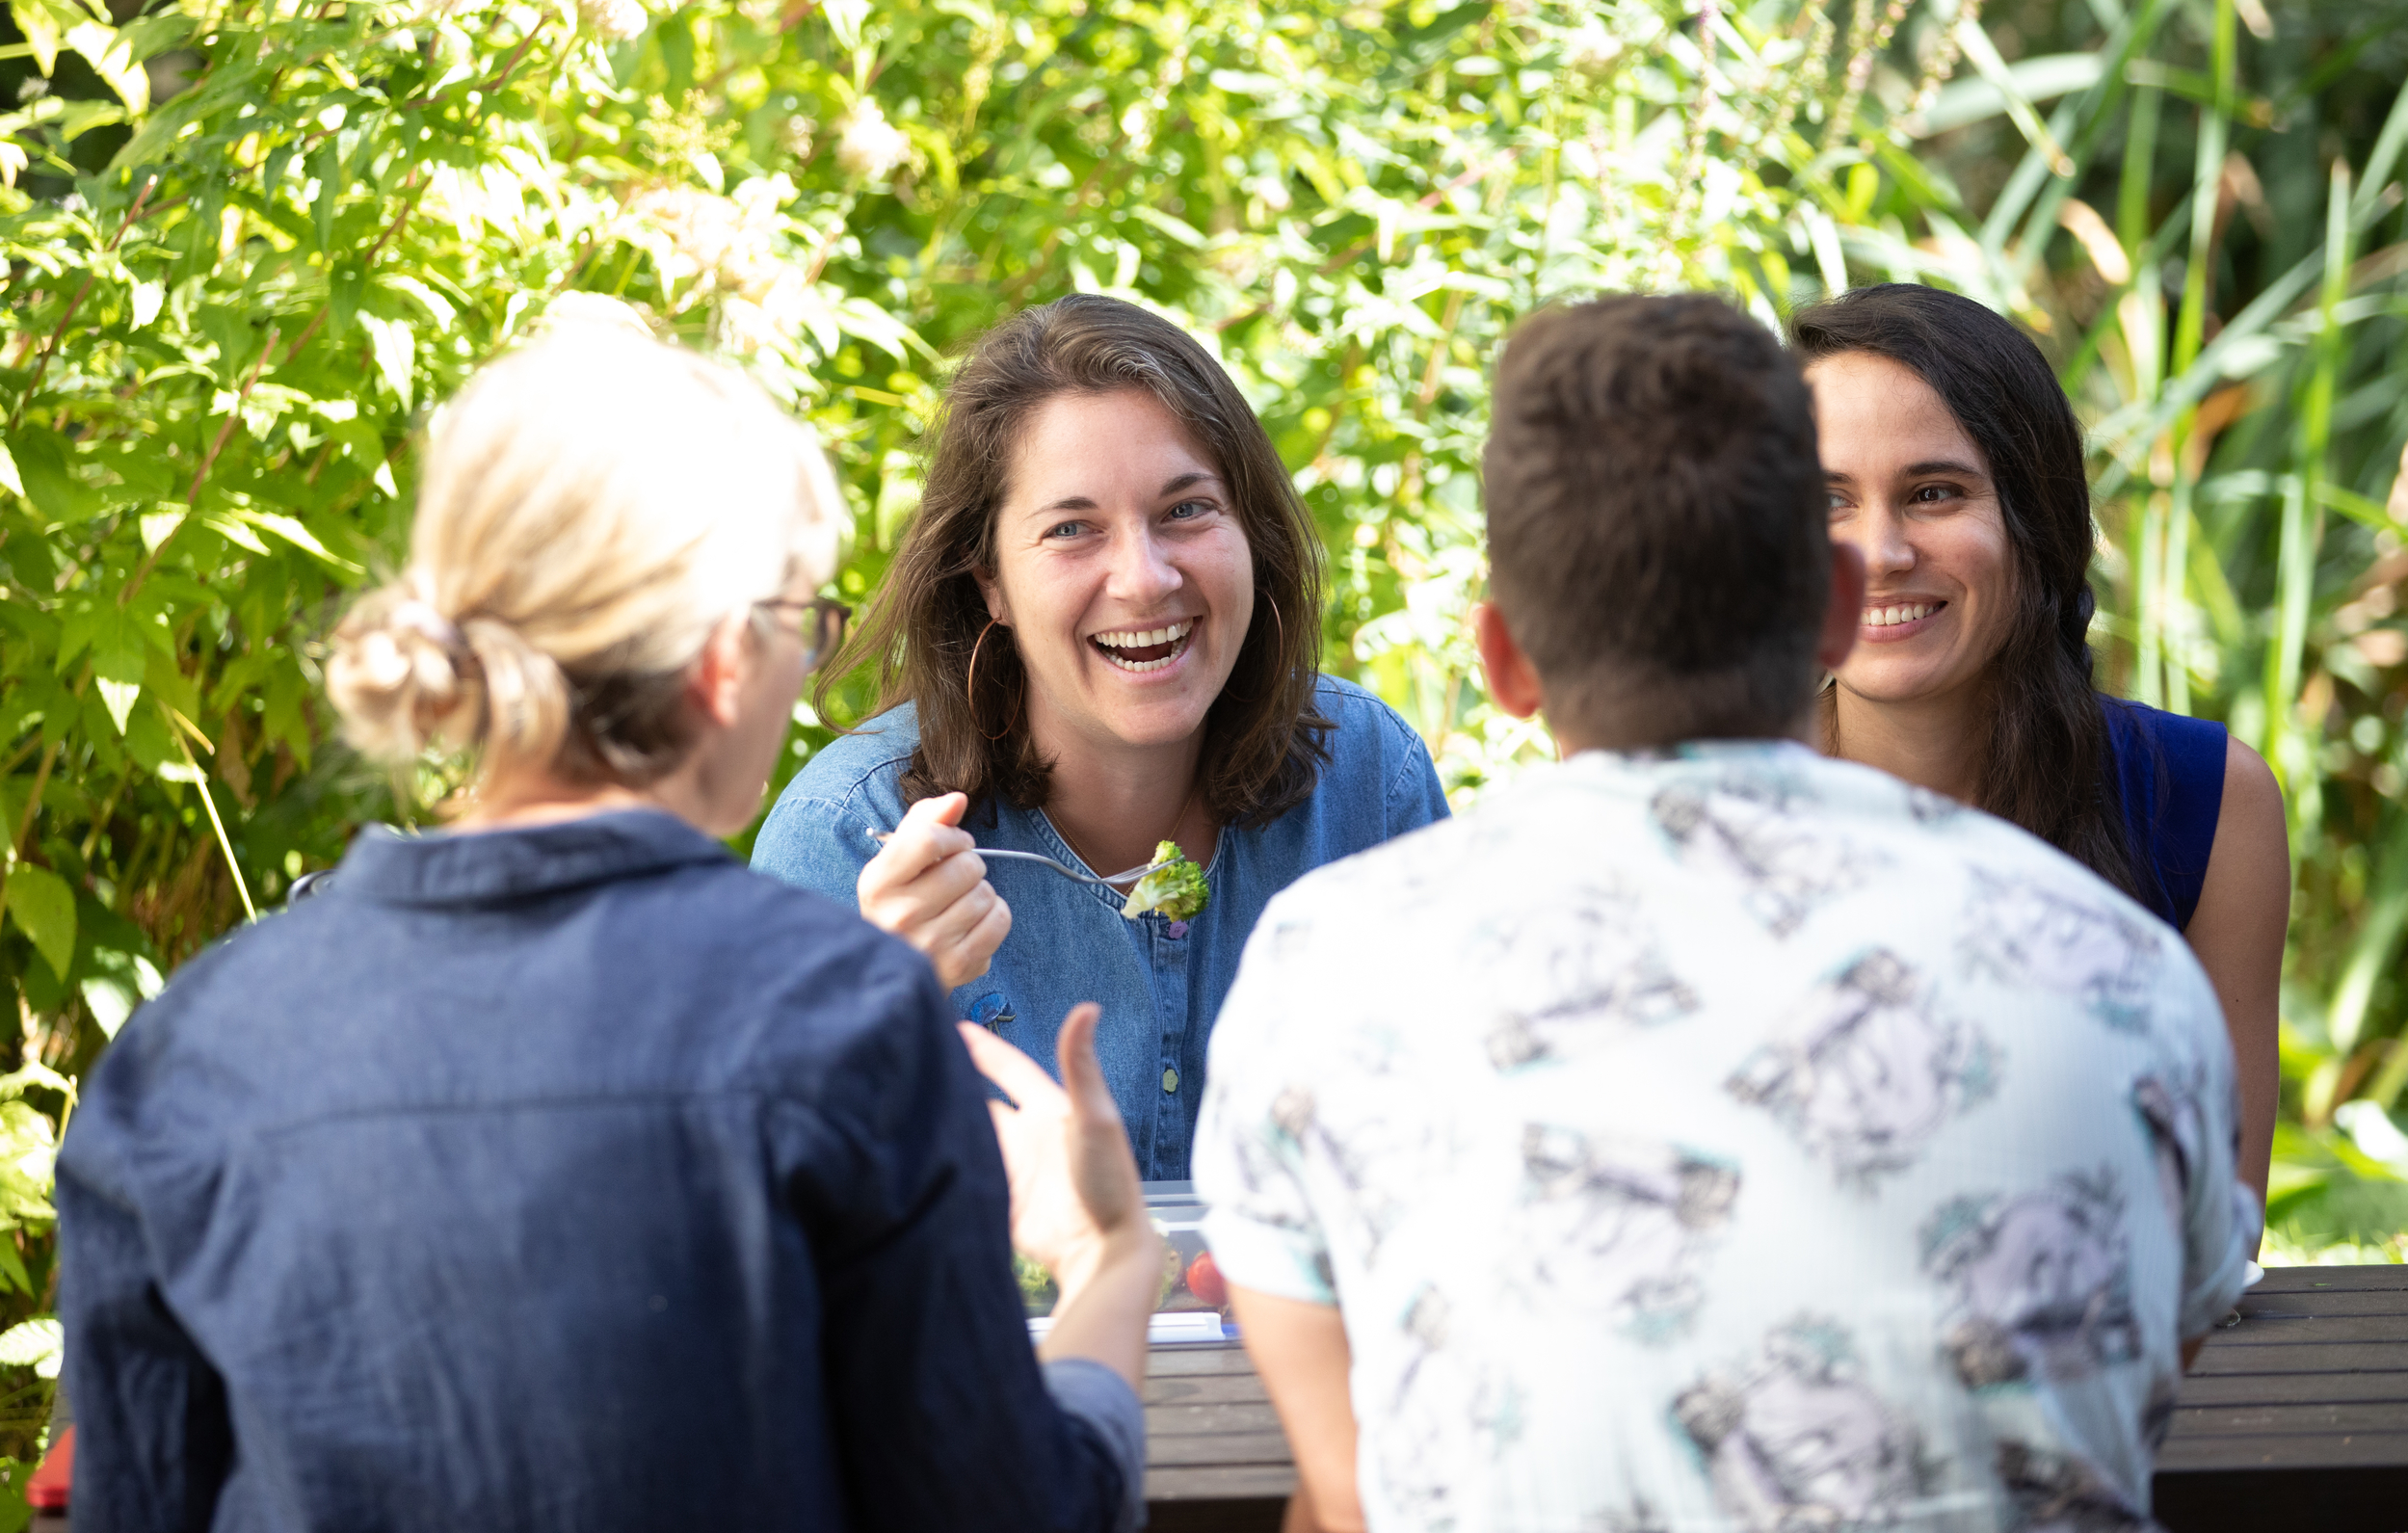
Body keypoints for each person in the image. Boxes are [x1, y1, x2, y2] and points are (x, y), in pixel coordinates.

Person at [54, 320, 1163, 1531]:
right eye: (808, 621)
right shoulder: (842, 1020)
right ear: (727, 661)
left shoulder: (185, 1054)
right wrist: (1108, 1261)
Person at [1194, 295, 2254, 1532]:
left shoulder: (1330, 965)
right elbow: (2160, 1347)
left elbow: (1351, 1493)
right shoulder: (2124, 966)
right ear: (1836, 608)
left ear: (1505, 662)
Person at [751, 293, 1448, 1179]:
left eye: (1186, 510)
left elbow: (1460, 1149)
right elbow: (773, 1226)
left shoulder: (1368, 779)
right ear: (989, 583)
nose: (1144, 578)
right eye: (1071, 529)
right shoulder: (846, 839)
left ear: (1251, 533)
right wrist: (877, 1020)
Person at [1790, 282, 2288, 1198]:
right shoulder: (1714, 804)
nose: (1879, 551)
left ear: (2036, 520)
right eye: (1827, 502)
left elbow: (2223, 1220)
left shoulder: (2204, 800)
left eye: (1932, 492)